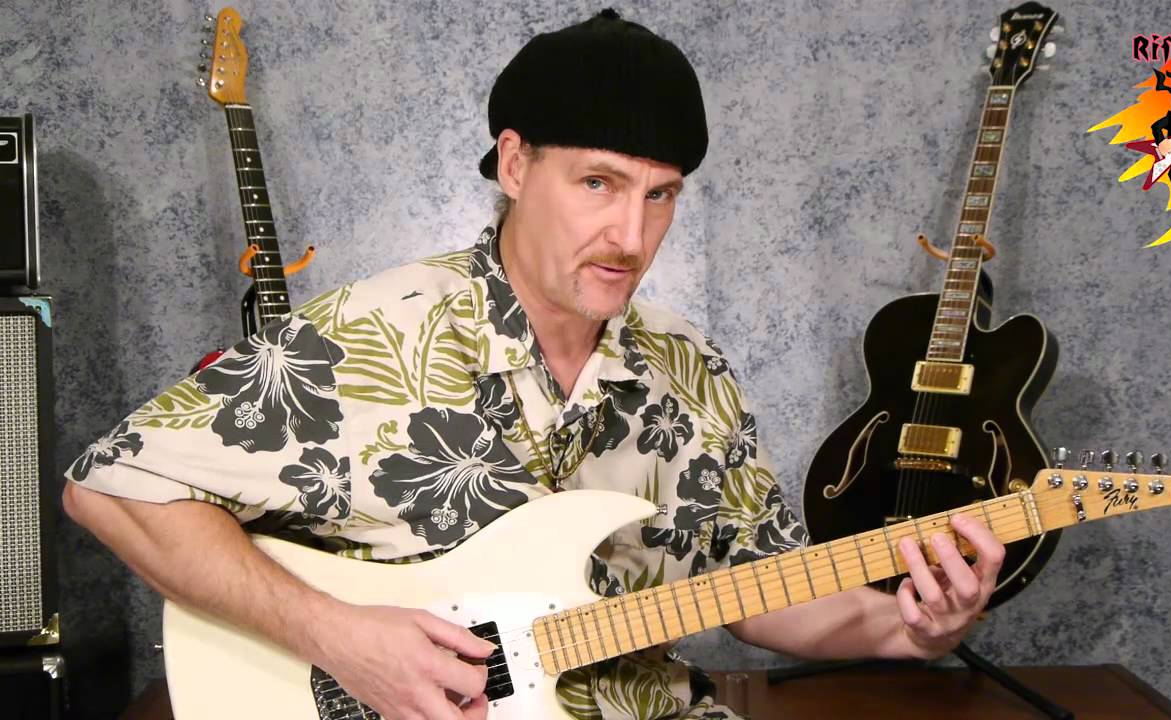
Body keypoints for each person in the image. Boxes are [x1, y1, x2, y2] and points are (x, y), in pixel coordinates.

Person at [62, 8, 1005, 720]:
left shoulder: (690, 368)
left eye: (660, 195)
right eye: (598, 183)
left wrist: (913, 626)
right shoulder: (370, 335)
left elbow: (760, 591)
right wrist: (337, 636)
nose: (630, 235)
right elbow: (111, 488)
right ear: (514, 165)